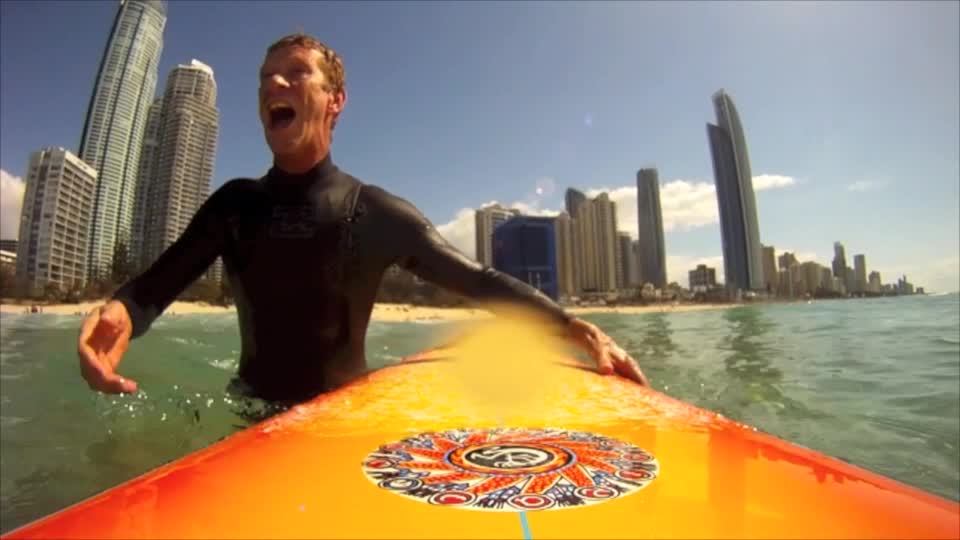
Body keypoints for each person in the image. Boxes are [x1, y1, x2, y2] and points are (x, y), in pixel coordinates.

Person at [77, 33, 649, 403]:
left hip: (340, 414)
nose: (273, 84)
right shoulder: (235, 204)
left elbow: (478, 281)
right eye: (265, 77)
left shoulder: (373, 213)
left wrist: (579, 329)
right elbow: (155, 286)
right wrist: (119, 316)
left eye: (295, 73)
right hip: (246, 416)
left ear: (335, 100)